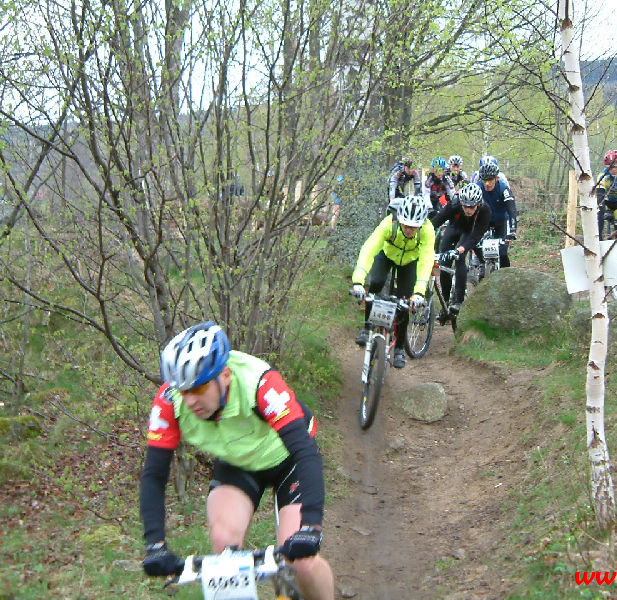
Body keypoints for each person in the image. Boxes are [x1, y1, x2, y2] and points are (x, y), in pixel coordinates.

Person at [139, 322, 334, 600]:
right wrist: (154, 543)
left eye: (200, 387)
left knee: (302, 563)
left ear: (226, 375)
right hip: (239, 462)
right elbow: (154, 475)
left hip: (288, 459)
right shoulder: (170, 403)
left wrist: (311, 525)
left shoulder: (260, 382)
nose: (191, 399)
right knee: (224, 551)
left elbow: (305, 452)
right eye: (184, 390)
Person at [351, 195, 434, 369]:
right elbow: (369, 248)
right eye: (406, 225)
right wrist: (358, 280)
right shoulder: (389, 223)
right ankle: (367, 328)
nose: (410, 230)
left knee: (405, 301)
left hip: (410, 261)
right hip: (387, 254)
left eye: (414, 227)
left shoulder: (427, 230)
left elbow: (426, 261)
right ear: (400, 220)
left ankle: (399, 349)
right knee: (376, 283)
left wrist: (419, 292)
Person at [430, 182, 491, 318]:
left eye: (472, 207)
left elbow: (476, 235)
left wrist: (460, 249)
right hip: (454, 227)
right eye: (465, 206)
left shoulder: (485, 210)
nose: (468, 210)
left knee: (459, 258)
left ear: (478, 204)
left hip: (470, 232)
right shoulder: (455, 203)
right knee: (444, 262)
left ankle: (458, 301)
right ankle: (445, 303)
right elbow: (436, 221)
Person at [476, 162, 518, 269]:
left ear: (496, 178)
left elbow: (512, 209)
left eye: (490, 180)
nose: (487, 184)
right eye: (484, 180)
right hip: (484, 220)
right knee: (475, 244)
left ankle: (505, 275)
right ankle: (481, 264)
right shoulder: (478, 188)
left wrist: (513, 230)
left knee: (502, 252)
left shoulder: (503, 188)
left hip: (501, 220)